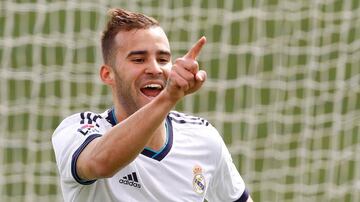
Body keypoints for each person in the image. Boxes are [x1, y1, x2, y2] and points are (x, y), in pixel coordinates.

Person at [52, 8, 253, 202]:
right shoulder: (78, 130)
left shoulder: (203, 137)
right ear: (108, 74)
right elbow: (100, 163)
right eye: (139, 59)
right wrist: (169, 97)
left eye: (163, 59)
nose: (155, 69)